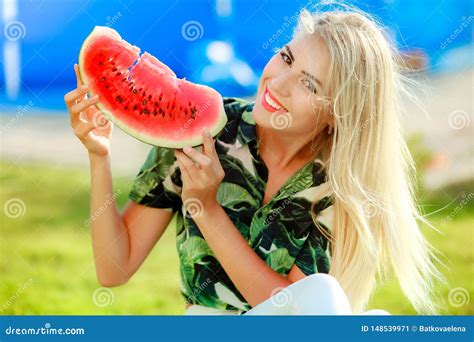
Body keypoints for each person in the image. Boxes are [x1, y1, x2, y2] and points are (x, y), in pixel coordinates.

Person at [64, 7, 444, 315]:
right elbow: (114, 269)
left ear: (337, 113)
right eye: (286, 58)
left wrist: (208, 210)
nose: (277, 83)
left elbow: (288, 307)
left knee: (357, 311)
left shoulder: (336, 187)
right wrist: (100, 157)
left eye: (309, 84)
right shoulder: (200, 135)